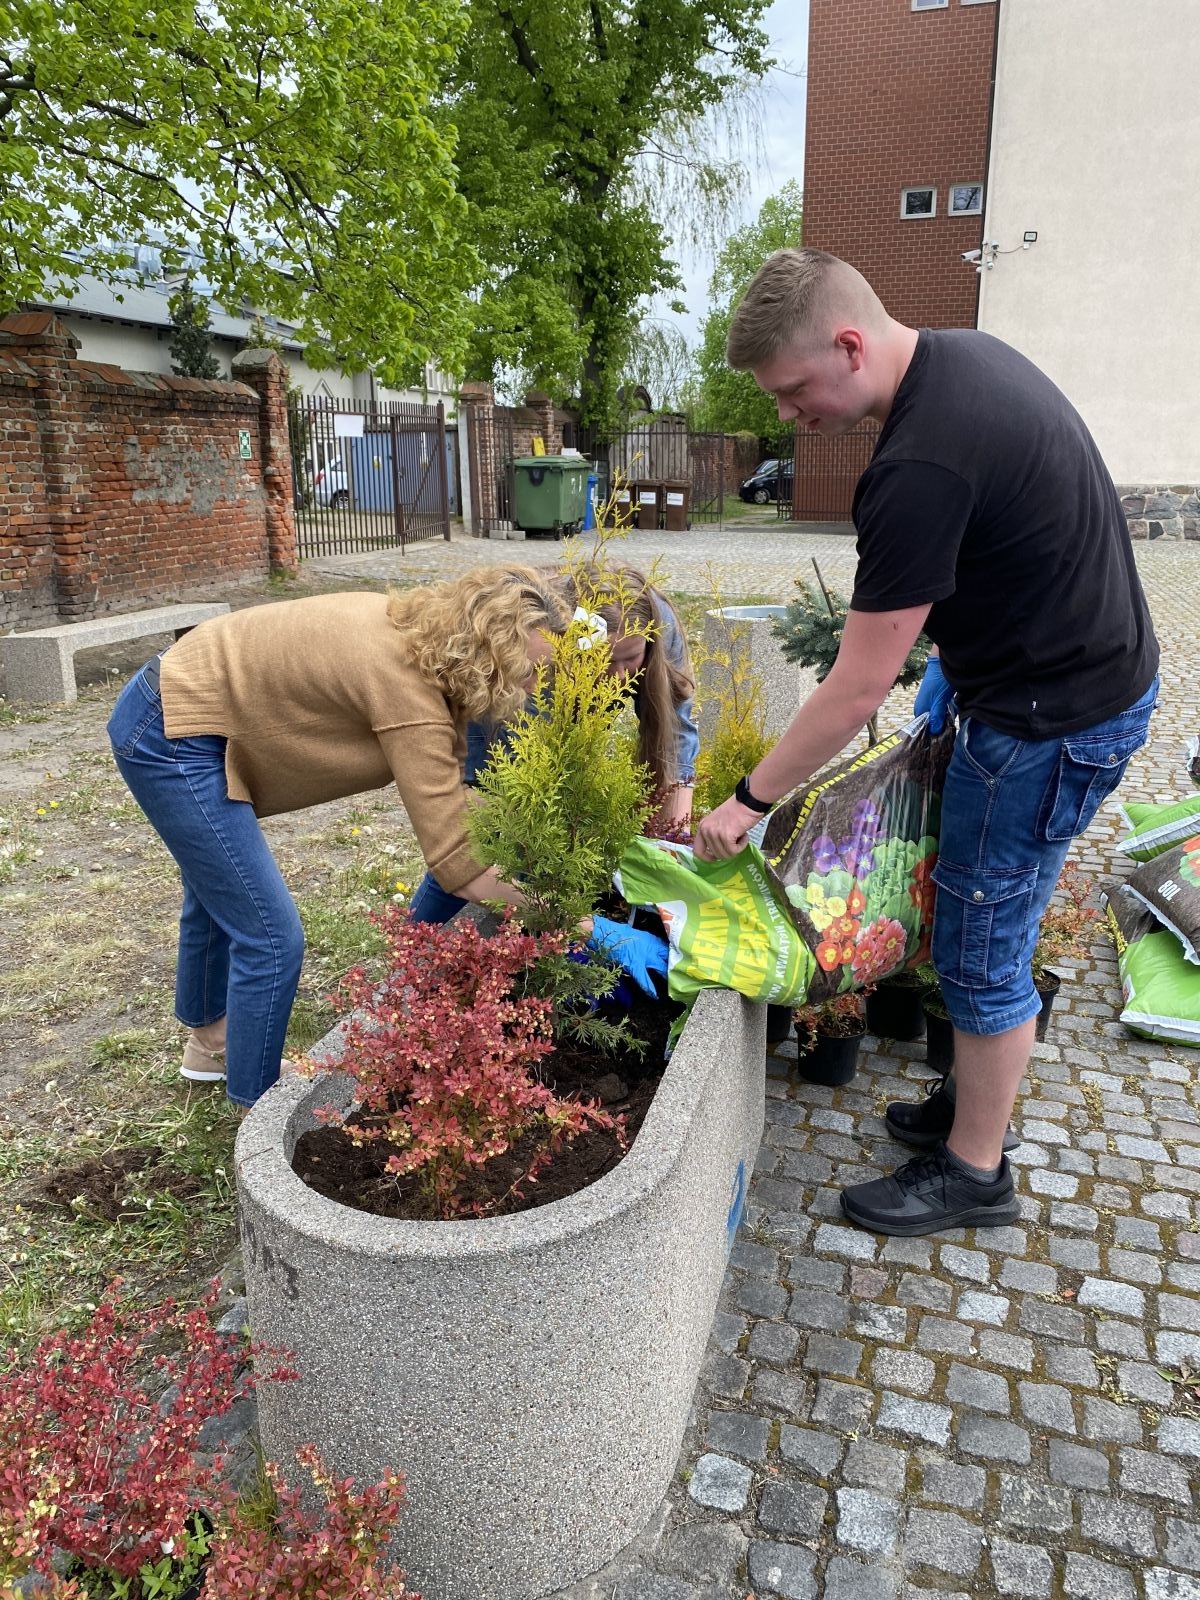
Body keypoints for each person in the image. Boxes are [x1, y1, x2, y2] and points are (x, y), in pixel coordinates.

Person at [693, 247, 1159, 1236]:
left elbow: (858, 679)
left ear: (848, 345)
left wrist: (748, 797)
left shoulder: (915, 465)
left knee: (982, 943)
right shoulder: (962, 360)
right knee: (987, 915)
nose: (788, 416)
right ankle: (969, 1106)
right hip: (1072, 688)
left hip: (1046, 724)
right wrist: (950, 679)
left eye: (792, 390)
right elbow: (990, 557)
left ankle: (974, 1173)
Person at [108, 567, 664, 1111]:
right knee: (271, 937)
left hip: (191, 699)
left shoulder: (429, 634)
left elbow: (458, 801)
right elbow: (457, 866)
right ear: (489, 653)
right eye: (527, 673)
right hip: (170, 730)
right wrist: (585, 925)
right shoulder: (408, 693)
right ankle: (258, 1116)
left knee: (217, 888)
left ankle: (210, 1046)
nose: (531, 688)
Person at [407, 560, 700, 924]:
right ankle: (415, 938)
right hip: (510, 703)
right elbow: (524, 778)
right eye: (607, 659)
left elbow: (676, 738)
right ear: (577, 645)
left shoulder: (656, 621)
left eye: (631, 658)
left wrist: (675, 841)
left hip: (570, 689)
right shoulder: (538, 643)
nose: (620, 675)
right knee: (493, 821)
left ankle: (533, 929)